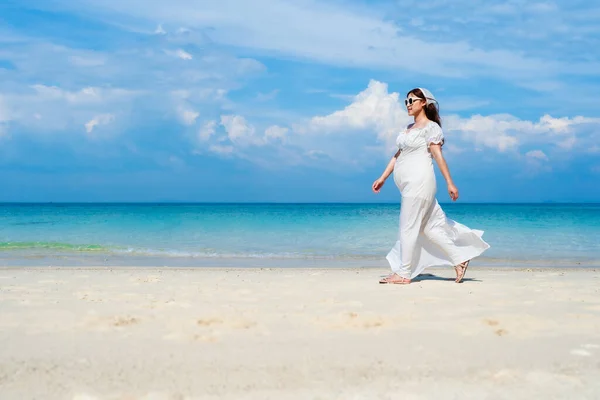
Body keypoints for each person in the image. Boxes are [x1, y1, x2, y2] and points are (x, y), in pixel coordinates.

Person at [372, 88, 490, 284]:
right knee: (429, 229)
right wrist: (383, 177)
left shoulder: (431, 128)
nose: (408, 104)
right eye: (406, 101)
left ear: (424, 102)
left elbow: (438, 156)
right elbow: (398, 155)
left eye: (412, 100)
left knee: (407, 228)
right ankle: (460, 259)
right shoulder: (409, 128)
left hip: (420, 183)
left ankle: (404, 273)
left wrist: (450, 183)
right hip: (409, 185)